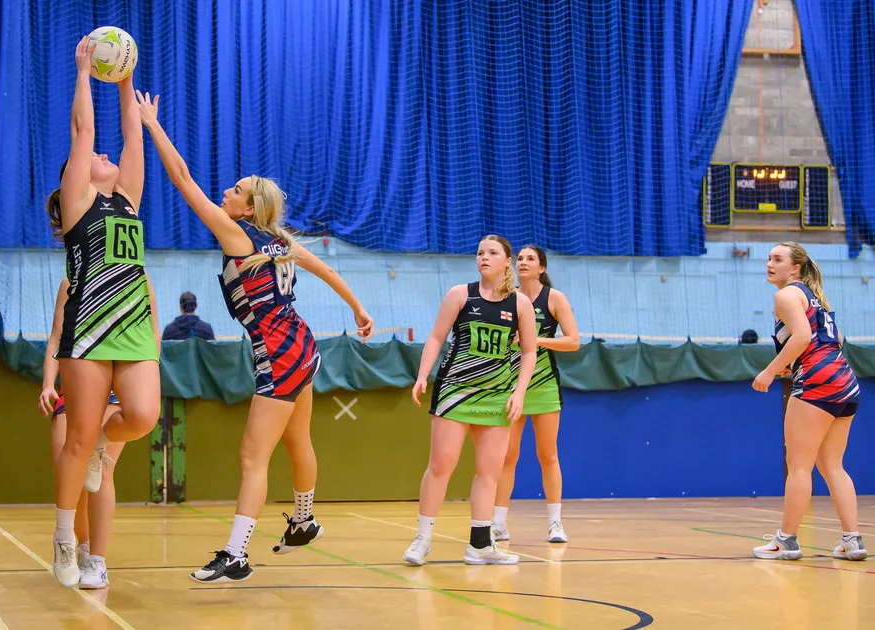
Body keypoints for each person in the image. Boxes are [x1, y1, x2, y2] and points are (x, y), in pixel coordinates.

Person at [135, 90, 374, 584]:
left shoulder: (239, 236)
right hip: (303, 341)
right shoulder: (280, 242)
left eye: (237, 188)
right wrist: (358, 309)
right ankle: (303, 521)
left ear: (249, 207)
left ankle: (236, 554)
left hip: (280, 350)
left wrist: (151, 125)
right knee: (298, 441)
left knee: (252, 456)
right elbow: (327, 270)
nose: (227, 190)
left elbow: (182, 179)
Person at [42, 35, 161, 587]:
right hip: (88, 328)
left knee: (141, 417)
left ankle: (97, 455)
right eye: (96, 158)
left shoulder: (128, 199)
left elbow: (132, 139)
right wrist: (86, 72)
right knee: (77, 437)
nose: (105, 156)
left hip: (134, 328)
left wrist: (127, 84)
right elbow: (82, 132)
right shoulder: (79, 201)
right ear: (79, 173)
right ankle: (67, 540)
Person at [405, 235, 538, 566]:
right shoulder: (460, 295)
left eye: (492, 253)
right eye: (480, 253)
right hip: (455, 392)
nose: (484, 257)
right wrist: (423, 375)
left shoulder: (520, 304)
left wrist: (519, 392)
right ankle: (422, 539)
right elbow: (436, 337)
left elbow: (530, 351)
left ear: (507, 261)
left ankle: (481, 544)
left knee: (489, 471)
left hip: (497, 395)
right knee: (441, 465)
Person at [752, 242, 865, 562]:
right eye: (769, 258)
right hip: (845, 381)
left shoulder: (786, 295)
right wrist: (797, 362)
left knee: (799, 466)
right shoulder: (815, 298)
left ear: (796, 268)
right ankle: (852, 540)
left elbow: (801, 337)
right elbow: (836, 339)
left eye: (778, 259)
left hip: (817, 384)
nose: (769, 264)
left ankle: (787, 541)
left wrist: (771, 371)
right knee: (832, 465)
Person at [493, 245, 579, 544]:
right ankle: (499, 523)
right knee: (506, 456)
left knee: (548, 455)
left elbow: (573, 341)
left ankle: (555, 523)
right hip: (510, 386)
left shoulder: (554, 299)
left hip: (543, 386)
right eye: (519, 258)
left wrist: (537, 340)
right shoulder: (506, 297)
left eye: (530, 259)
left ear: (542, 267)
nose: (523, 262)